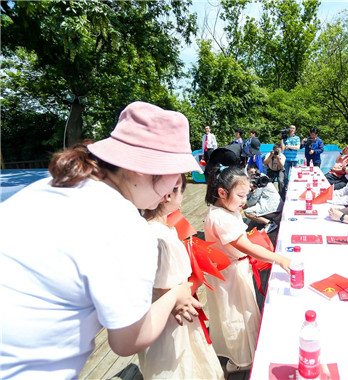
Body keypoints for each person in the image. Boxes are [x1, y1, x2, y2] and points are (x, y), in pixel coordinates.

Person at [0, 102, 203, 378]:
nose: (177, 182)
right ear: (144, 168)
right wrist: (177, 294)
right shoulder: (126, 227)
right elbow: (128, 339)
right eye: (176, 172)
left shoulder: (51, 186)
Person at [203, 166, 290, 374]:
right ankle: (241, 360)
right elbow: (246, 246)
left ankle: (245, 353)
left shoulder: (226, 210)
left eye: (246, 195)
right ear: (222, 193)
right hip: (229, 274)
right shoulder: (220, 218)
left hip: (234, 270)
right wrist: (279, 258)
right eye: (240, 195)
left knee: (243, 311)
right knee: (235, 314)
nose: (244, 201)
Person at [138, 175, 224, 380]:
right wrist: (198, 276)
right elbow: (173, 296)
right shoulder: (162, 237)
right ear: (168, 195)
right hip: (171, 321)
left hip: (151, 316)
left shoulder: (145, 229)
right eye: (181, 191)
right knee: (181, 365)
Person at [243, 164, 283, 233]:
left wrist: (246, 204)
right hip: (277, 205)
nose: (253, 174)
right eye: (250, 173)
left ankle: (270, 223)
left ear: (257, 170)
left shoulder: (260, 180)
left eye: (254, 172)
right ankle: (264, 220)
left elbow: (254, 198)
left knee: (247, 212)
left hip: (273, 208)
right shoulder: (263, 177)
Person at [281, 124, 301, 193]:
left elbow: (298, 147)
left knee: (295, 175)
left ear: (295, 130)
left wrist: (289, 146)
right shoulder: (285, 138)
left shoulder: (297, 138)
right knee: (286, 176)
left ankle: (295, 188)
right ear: (289, 129)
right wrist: (281, 139)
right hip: (286, 159)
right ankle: (286, 189)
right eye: (291, 128)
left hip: (294, 159)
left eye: (293, 128)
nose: (292, 129)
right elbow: (283, 148)